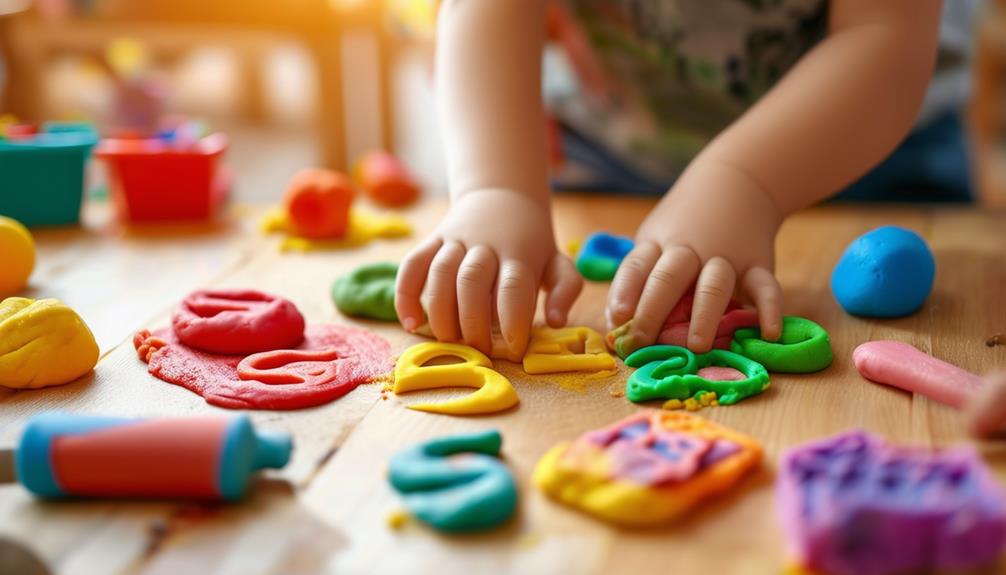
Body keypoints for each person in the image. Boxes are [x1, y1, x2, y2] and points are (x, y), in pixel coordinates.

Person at [394, 0, 970, 361]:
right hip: (615, 149)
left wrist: (744, 182)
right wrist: (498, 189)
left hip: (869, 157)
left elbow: (881, 31)